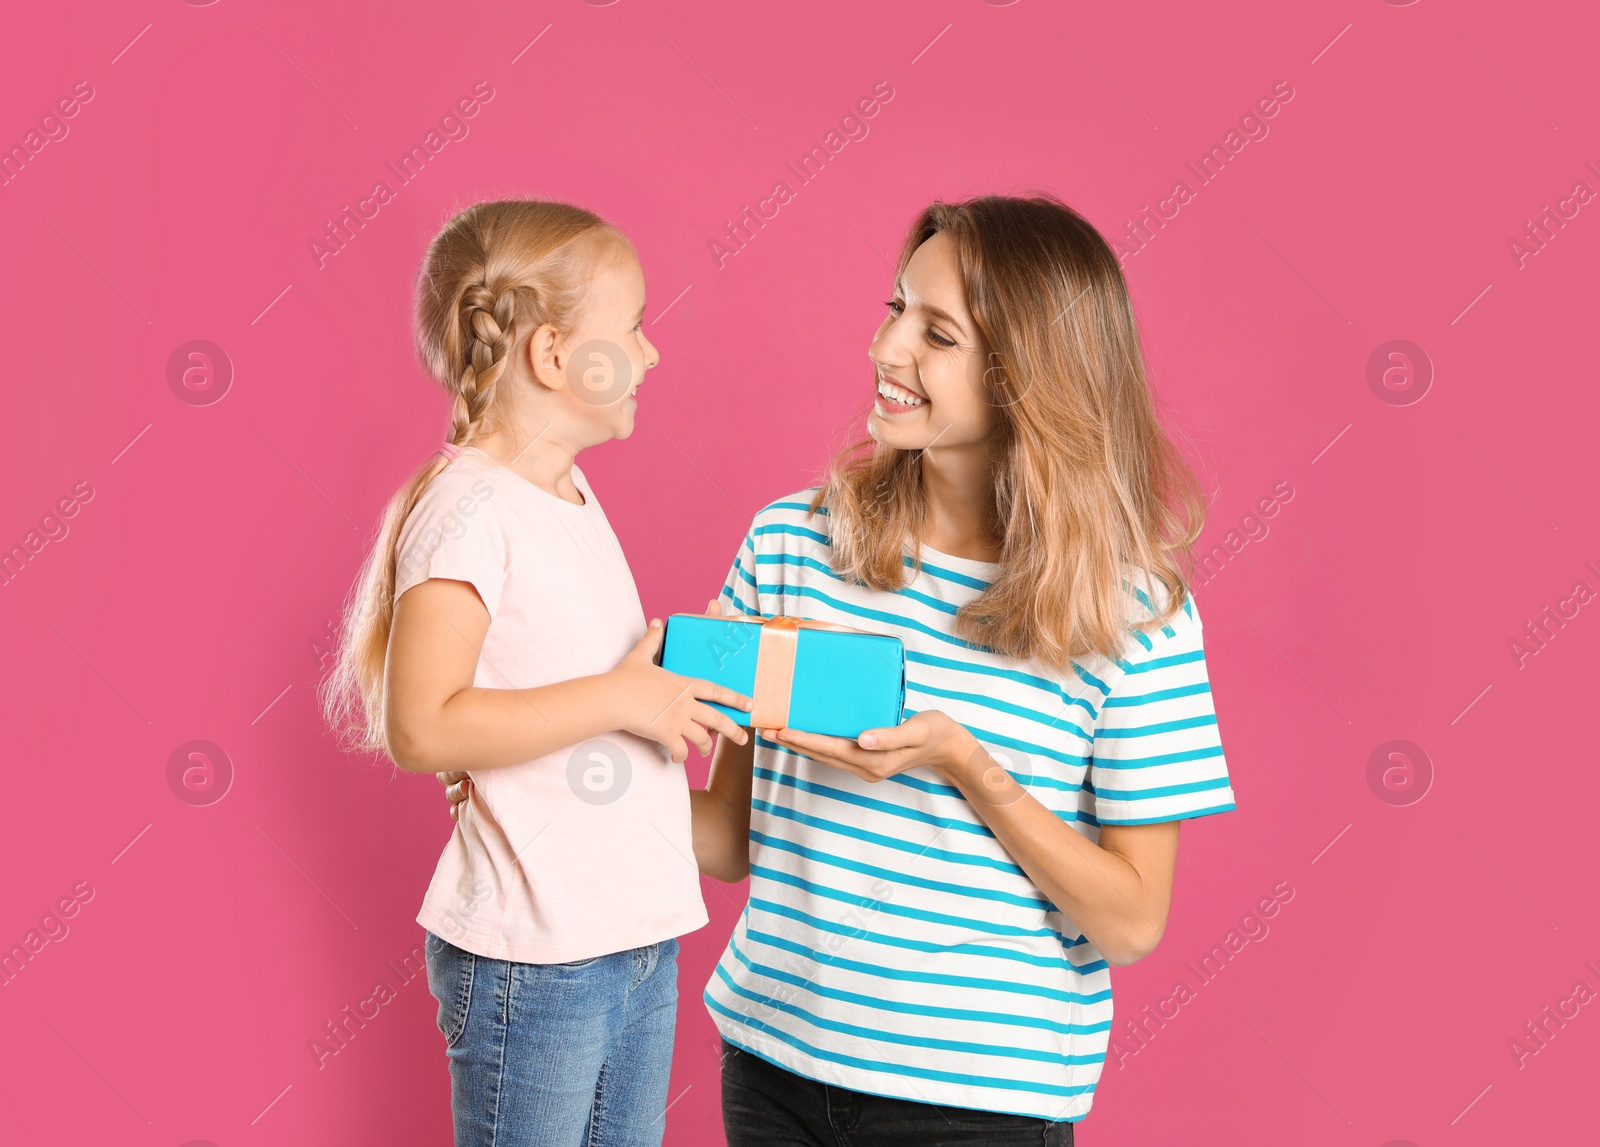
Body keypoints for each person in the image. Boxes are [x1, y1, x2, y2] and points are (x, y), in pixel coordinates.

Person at [445, 192, 1238, 1144]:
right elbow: (729, 834)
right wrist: (526, 767)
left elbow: (1131, 922)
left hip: (976, 1108)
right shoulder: (793, 544)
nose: (888, 348)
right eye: (896, 307)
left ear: (1031, 376)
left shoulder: (1134, 611)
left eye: (937, 334)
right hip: (774, 1069)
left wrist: (961, 762)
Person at [321, 199, 753, 1147]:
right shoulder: (472, 511)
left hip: (630, 940)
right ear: (555, 358)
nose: (651, 354)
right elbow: (423, 725)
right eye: (633, 328)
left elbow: (559, 691)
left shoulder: (565, 494)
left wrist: (679, 674)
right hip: (538, 958)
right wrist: (624, 696)